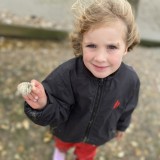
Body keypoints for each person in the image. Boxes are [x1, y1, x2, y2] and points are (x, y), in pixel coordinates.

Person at [21, 0, 140, 159]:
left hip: (96, 137)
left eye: (112, 47)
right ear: (81, 43)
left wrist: (122, 127)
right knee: (62, 144)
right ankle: (60, 152)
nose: (100, 58)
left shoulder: (130, 80)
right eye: (91, 46)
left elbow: (127, 108)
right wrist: (43, 105)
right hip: (67, 131)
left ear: (126, 46)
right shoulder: (67, 74)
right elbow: (56, 109)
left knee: (86, 155)